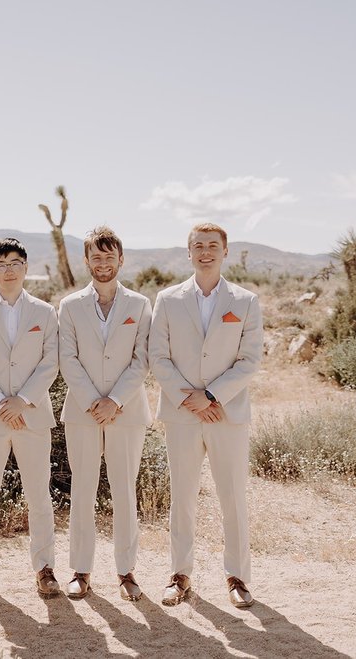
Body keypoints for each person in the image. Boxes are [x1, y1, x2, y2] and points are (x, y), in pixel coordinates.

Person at [149, 222, 263, 608]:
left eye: (212, 245)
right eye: (198, 245)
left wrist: (212, 396)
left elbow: (250, 361)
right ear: (189, 252)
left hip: (226, 415)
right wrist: (190, 398)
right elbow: (158, 357)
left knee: (232, 497)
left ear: (225, 251)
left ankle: (237, 577)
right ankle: (180, 575)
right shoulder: (167, 299)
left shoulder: (245, 301)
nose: (205, 252)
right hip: (182, 415)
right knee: (182, 497)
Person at [0, 238, 61, 597]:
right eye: (1, 263)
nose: (8, 269)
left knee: (39, 494)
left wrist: (23, 401)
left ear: (26, 267)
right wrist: (1, 402)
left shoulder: (46, 313)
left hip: (33, 417)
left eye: (15, 262)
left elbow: (51, 362)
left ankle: (45, 568)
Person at [58, 226, 152, 601]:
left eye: (108, 257)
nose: (102, 263)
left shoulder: (140, 305)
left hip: (126, 412)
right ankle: (81, 571)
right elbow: (68, 358)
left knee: (124, 490)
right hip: (82, 413)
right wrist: (93, 401)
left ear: (120, 259)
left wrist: (115, 401)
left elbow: (142, 359)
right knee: (82, 490)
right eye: (95, 257)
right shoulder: (69, 305)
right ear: (86, 261)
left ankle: (126, 571)